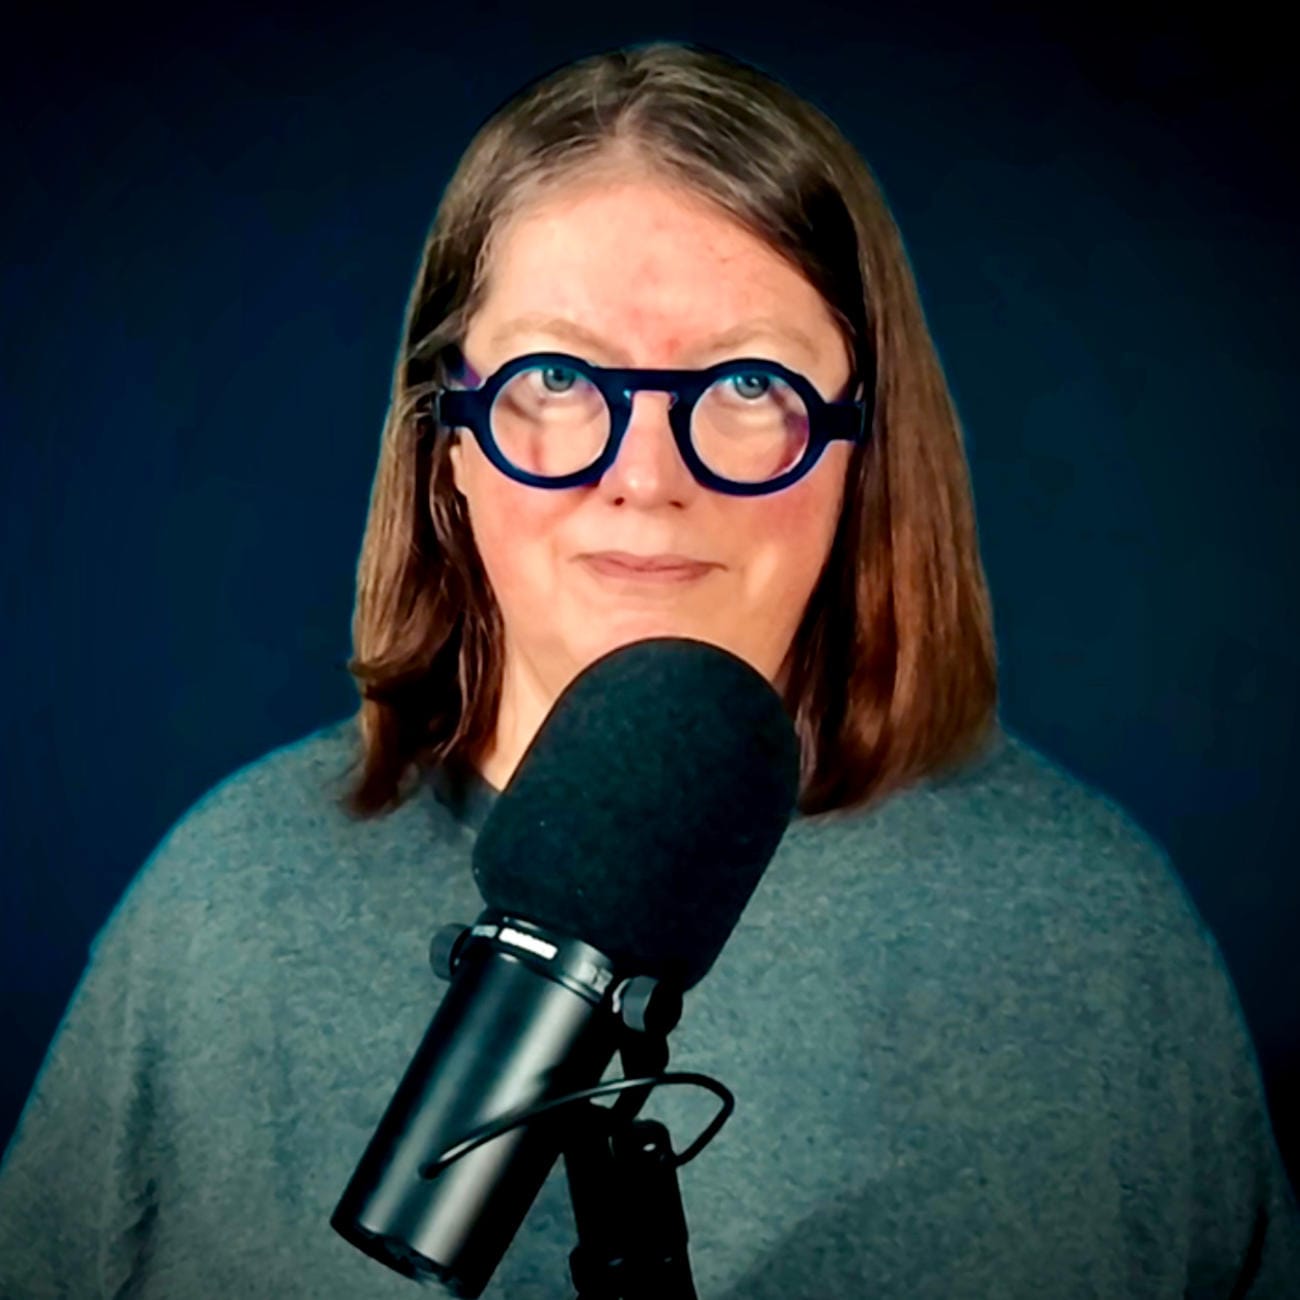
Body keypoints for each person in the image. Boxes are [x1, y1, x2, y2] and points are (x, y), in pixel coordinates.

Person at [1, 38, 1296, 1300]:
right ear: (446, 441)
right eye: (558, 375)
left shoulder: (1091, 939)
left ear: (862, 448)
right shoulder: (222, 912)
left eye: (746, 383)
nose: (646, 477)